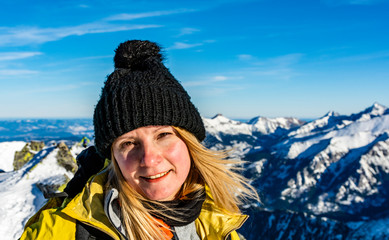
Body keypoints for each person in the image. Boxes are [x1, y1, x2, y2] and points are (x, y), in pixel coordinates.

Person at [20, 40, 259, 240]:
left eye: (163, 135)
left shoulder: (216, 222)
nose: (149, 159)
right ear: (113, 157)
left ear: (190, 144)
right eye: (128, 143)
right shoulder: (63, 232)